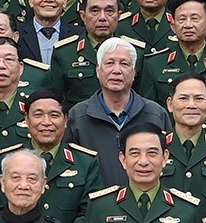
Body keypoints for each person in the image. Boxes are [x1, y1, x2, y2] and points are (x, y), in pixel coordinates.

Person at [65, 38, 170, 183]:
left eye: (124, 64)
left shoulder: (155, 113)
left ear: (134, 73)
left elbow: (168, 165)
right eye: (109, 63)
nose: (116, 70)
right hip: (95, 203)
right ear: (98, 71)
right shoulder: (78, 116)